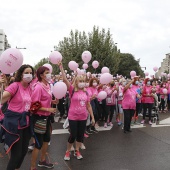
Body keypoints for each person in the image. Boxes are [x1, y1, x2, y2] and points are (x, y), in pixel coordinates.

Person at [58, 62, 95, 161]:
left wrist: (92, 117)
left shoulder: (86, 92)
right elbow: (65, 79)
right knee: (73, 135)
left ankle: (77, 150)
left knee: (80, 135)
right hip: (73, 116)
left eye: (83, 80)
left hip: (83, 117)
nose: (82, 82)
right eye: (80, 81)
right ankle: (68, 151)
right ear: (77, 82)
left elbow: (88, 105)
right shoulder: (72, 90)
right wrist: (61, 68)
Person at [0, 64, 34, 170]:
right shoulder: (15, 86)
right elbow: (2, 100)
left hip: (26, 123)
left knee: (23, 152)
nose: (29, 75)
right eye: (26, 73)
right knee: (16, 155)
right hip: (15, 124)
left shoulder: (30, 88)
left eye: (31, 73)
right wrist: (1, 87)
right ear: (21, 74)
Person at [30, 66, 57, 170]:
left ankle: (42, 160)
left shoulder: (48, 85)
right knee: (38, 144)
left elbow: (45, 100)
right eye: (47, 72)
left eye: (49, 72)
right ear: (41, 75)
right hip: (39, 118)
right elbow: (33, 106)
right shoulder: (38, 87)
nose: (49, 74)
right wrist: (48, 109)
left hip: (47, 118)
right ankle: (32, 167)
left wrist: (52, 102)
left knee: (47, 140)